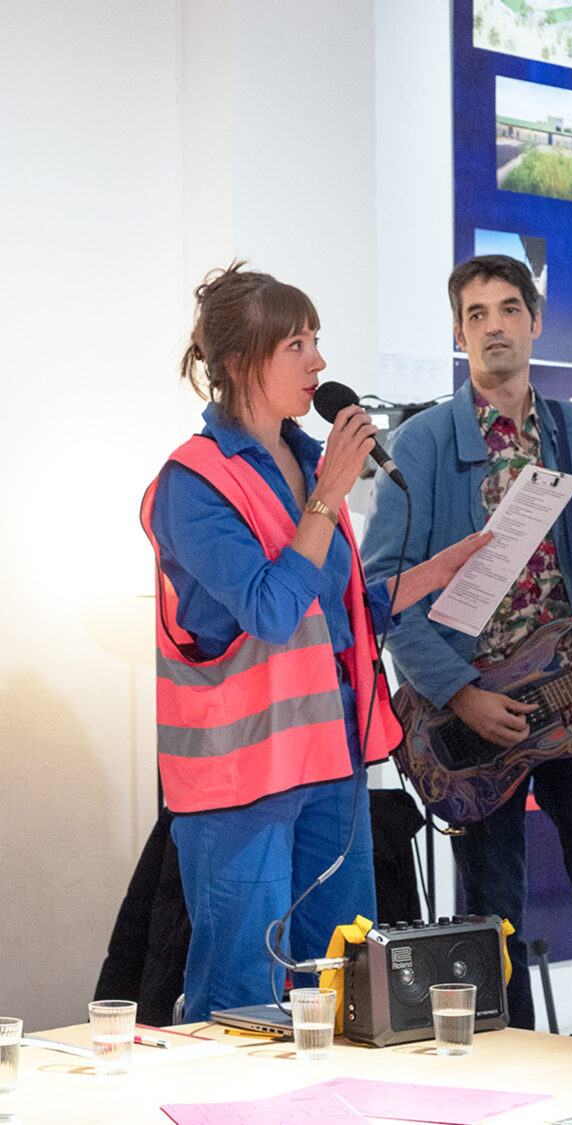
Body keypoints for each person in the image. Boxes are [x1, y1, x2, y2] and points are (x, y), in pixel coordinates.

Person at [361, 254, 572, 1040]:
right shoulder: (419, 445)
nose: (494, 327)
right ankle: (513, 1076)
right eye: (476, 314)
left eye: (509, 308)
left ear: (535, 321)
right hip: (475, 719)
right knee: (493, 924)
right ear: (458, 334)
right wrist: (459, 693)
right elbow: (385, 590)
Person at [141, 263, 488, 1021]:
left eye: (316, 340)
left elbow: (336, 615)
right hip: (242, 778)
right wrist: (330, 494)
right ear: (241, 363)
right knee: (242, 996)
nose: (319, 362)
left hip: (332, 759)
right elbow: (270, 610)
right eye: (296, 344)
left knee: (340, 985)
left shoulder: (304, 460)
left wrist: (437, 572)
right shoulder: (192, 483)